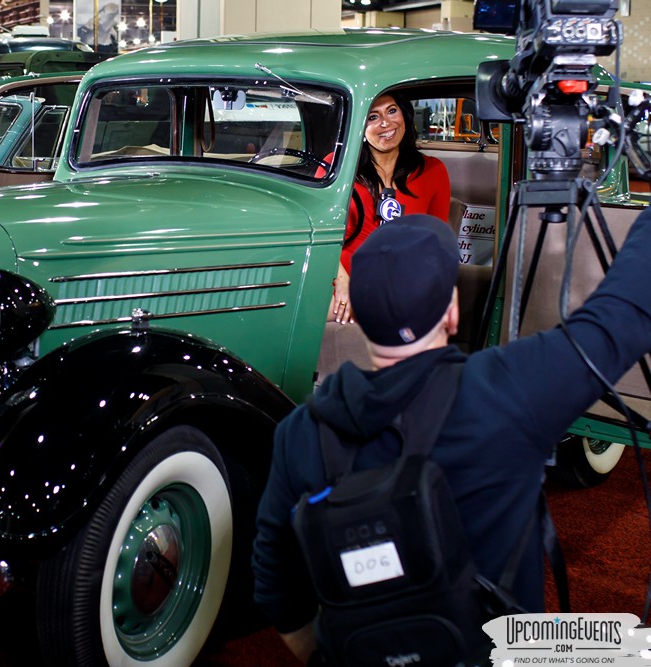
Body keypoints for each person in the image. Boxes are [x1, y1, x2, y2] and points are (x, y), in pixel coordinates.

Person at [252, 211, 651, 664]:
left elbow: (275, 587)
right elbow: (624, 316)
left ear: (356, 313)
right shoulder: (508, 394)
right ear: (453, 311)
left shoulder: (299, 433)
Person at [330, 92, 451, 324]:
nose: (386, 123)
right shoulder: (336, 169)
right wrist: (342, 285)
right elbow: (320, 238)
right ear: (359, 127)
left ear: (405, 117)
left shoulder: (432, 170)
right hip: (341, 280)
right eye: (373, 117)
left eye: (392, 111)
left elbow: (437, 244)